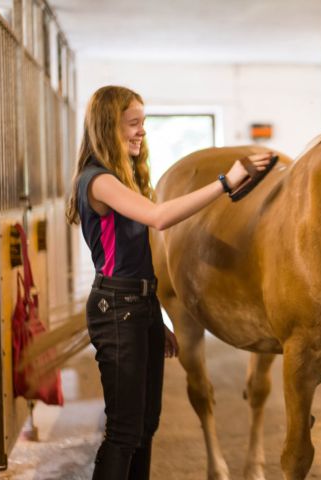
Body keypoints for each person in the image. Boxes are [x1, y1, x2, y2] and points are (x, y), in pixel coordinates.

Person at [66, 85, 273, 479]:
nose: (141, 132)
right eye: (133, 123)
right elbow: (160, 217)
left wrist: (153, 316)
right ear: (109, 126)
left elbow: (137, 260)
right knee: (124, 432)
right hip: (117, 309)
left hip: (137, 307)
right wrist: (224, 184)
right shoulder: (98, 181)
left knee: (145, 429)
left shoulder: (119, 180)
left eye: (143, 123)